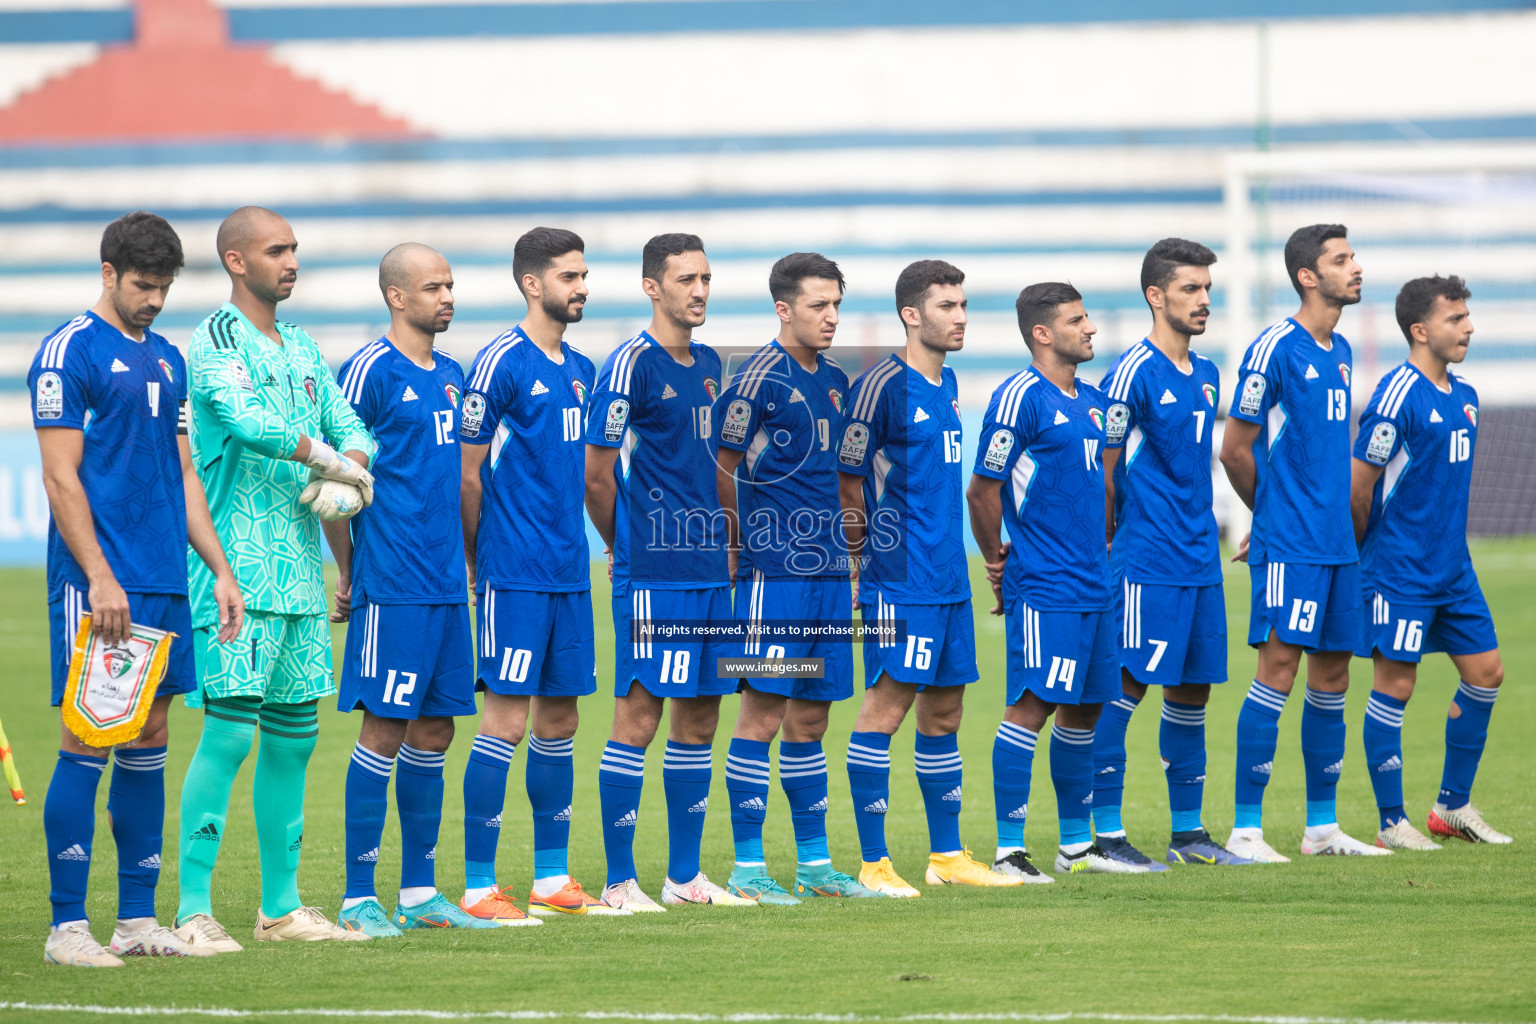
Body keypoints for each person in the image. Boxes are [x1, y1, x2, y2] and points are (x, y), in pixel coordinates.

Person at [33, 211, 244, 967]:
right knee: (92, 736)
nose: (154, 300)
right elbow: (60, 475)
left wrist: (218, 567)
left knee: (151, 738)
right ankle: (66, 929)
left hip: (163, 580)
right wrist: (98, 575)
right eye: (142, 286)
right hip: (101, 584)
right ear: (108, 274)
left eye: (163, 288)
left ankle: (134, 921)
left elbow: (184, 472)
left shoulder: (167, 360)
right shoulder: (68, 354)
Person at [174, 206, 381, 950]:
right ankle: (193, 910)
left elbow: (351, 423)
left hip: (297, 574)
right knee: (228, 737)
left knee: (294, 741)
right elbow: (247, 419)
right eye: (276, 250)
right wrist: (330, 462)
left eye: (295, 248)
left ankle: (280, 910)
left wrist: (351, 472)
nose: (292, 261)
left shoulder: (299, 343)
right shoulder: (216, 338)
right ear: (236, 261)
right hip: (232, 568)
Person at [328, 244, 497, 933]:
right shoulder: (368, 369)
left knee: (434, 732)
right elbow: (337, 479)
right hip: (391, 582)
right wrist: (348, 570)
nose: (447, 297)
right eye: (433, 287)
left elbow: (457, 481)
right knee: (384, 729)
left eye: (451, 285)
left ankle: (421, 893)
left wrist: (468, 563)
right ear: (398, 297)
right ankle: (357, 897)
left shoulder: (453, 374)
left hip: (445, 588)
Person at [838, 260, 1020, 896]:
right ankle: (873, 863)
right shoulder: (879, 387)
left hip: (949, 581)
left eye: (964, 305)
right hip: (899, 581)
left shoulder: (947, 387)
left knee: (945, 711)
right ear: (912, 315)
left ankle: (945, 857)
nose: (961, 317)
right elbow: (848, 483)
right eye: (947, 306)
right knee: (886, 708)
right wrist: (859, 567)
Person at [586, 233, 755, 910]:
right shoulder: (628, 364)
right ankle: (620, 881)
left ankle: (684, 878)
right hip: (655, 574)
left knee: (701, 718)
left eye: (706, 278)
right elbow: (597, 474)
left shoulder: (712, 363)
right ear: (653, 287)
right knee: (639, 715)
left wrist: (735, 552)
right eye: (686, 279)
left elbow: (720, 471)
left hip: (713, 571)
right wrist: (622, 546)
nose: (700, 291)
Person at [459, 227, 618, 920]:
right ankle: (475, 883)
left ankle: (551, 880)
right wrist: (479, 561)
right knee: (505, 723)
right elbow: (466, 475)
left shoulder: (583, 368)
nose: (581, 287)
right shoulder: (499, 362)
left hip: (567, 572)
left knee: (560, 722)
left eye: (584, 275)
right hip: (514, 573)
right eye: (568, 276)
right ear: (532, 283)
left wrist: (617, 541)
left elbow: (591, 476)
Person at [1218, 223, 1388, 861]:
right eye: (1342, 260)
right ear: (1307, 276)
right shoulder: (1273, 349)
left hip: (1339, 544)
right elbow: (1235, 448)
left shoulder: (1340, 349)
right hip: (1292, 543)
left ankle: (1321, 828)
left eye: (1354, 257)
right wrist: (1273, 517)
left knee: (1335, 676)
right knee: (1278, 670)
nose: (1356, 268)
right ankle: (1245, 829)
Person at [716, 252, 881, 903]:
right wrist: (739, 547)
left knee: (811, 720)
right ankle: (749, 869)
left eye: (836, 304)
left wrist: (853, 559)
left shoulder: (838, 381)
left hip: (827, 578)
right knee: (762, 716)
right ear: (784, 309)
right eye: (818, 305)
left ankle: (814, 867)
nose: (831, 316)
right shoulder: (755, 379)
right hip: (775, 578)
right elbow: (722, 466)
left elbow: (843, 480)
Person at [1092, 239, 1252, 868]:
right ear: (1156, 296)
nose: (1204, 299)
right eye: (1190, 288)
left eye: (1207, 288)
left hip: (1198, 561)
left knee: (1192, 694)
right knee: (1121, 690)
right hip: (1145, 562)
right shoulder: (1131, 372)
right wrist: (1107, 541)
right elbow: (1102, 468)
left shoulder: (1208, 373)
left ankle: (1187, 835)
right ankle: (1100, 838)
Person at [968, 283, 1132, 877]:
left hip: (1096, 582)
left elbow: (1105, 482)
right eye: (1076, 320)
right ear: (1043, 333)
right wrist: (995, 559)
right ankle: (1009, 849)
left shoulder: (1094, 400)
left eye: (1087, 318)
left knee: (1086, 709)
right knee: (1032, 706)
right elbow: (983, 489)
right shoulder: (1020, 397)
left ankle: (1074, 846)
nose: (1090, 329)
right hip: (1045, 583)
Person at [1351, 275, 1510, 849]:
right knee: (1397, 683)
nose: (1468, 326)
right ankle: (1392, 822)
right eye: (1455, 318)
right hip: (1400, 571)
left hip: (1453, 570)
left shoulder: (1464, 395)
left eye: (1467, 315)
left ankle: (1452, 807)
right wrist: (1372, 556)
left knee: (1486, 674)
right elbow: (1358, 489)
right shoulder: (1398, 396)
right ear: (1420, 331)